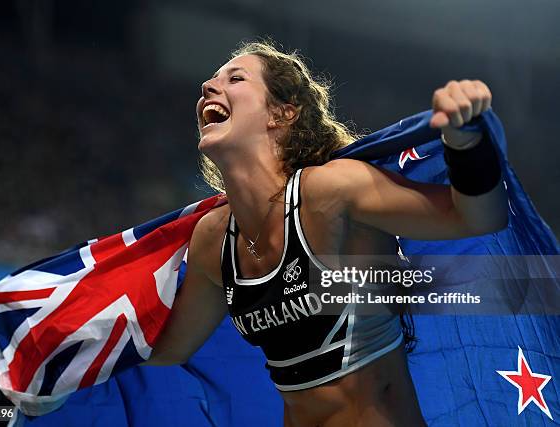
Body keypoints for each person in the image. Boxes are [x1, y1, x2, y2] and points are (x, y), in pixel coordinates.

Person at [144, 41, 508, 427]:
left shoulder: (331, 193)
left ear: (282, 113)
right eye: (213, 79)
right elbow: (168, 351)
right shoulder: (213, 239)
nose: (207, 86)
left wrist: (465, 141)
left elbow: (477, 218)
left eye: (235, 78)